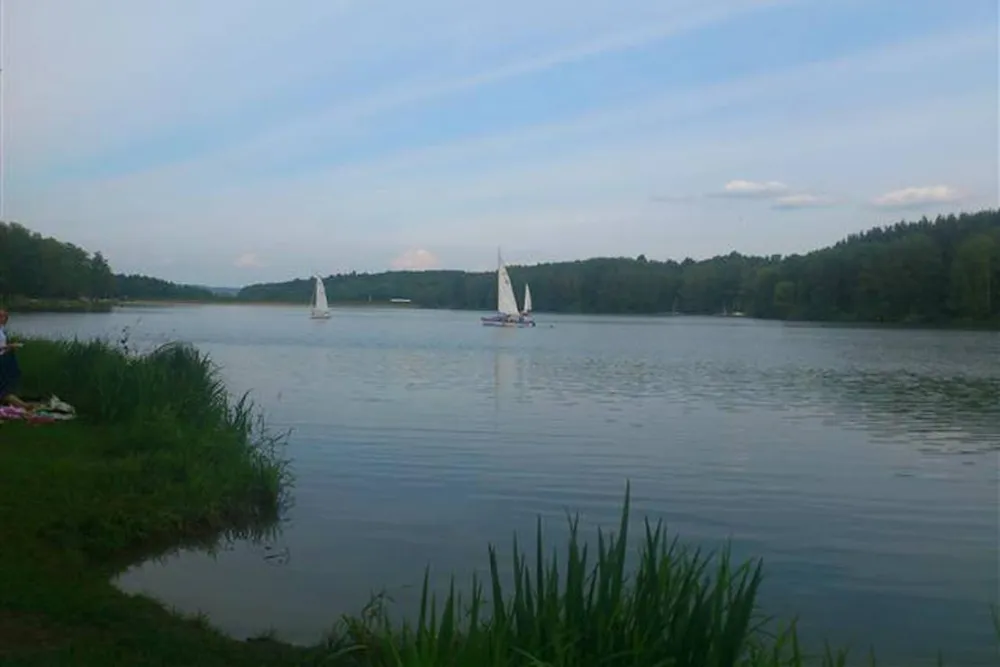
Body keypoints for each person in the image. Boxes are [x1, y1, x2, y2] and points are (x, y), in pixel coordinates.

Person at [0, 309, 25, 404]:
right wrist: (11, 345)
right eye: (2, 317)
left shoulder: (1, 330)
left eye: (6, 317)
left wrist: (9, 348)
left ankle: (9, 398)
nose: (5, 319)